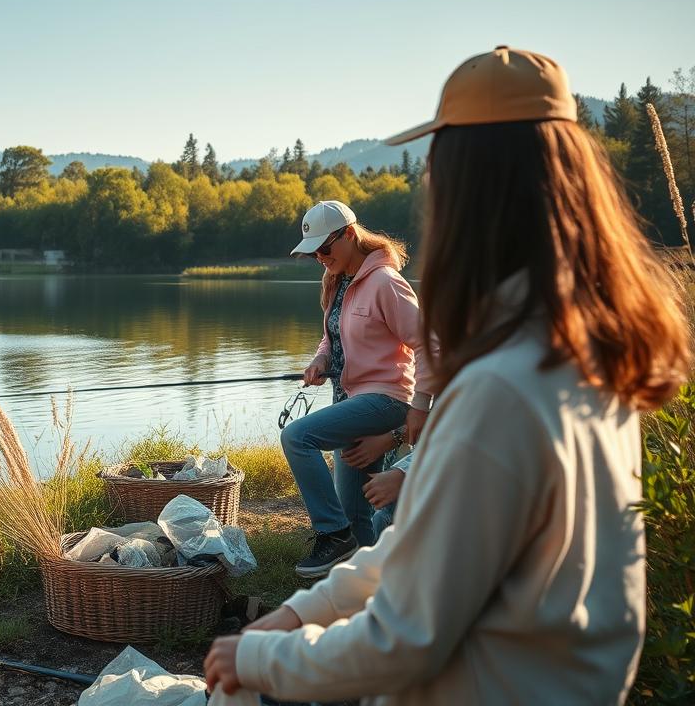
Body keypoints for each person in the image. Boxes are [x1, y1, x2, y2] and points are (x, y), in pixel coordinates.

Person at [204, 47, 691, 704]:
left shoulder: (502, 388)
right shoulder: (585, 354)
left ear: (468, 185)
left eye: (437, 163)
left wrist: (264, 659)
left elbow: (404, 637)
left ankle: (328, 540)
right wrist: (296, 615)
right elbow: (427, 543)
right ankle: (332, 539)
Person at [280, 200, 435, 577]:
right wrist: (320, 360)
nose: (320, 257)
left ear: (349, 234)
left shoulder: (385, 282)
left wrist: (420, 406)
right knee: (355, 513)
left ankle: (331, 535)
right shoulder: (338, 281)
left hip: (387, 399)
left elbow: (427, 345)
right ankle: (364, 587)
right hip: (351, 401)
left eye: (325, 248)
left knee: (297, 437)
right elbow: (330, 338)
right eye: (313, 252)